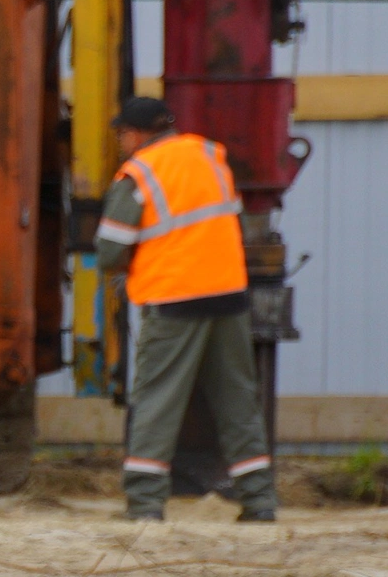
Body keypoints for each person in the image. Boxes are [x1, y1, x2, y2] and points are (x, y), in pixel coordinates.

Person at [94, 96, 277, 522]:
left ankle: (144, 504)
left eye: (121, 134)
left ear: (136, 134)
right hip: (229, 296)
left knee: (157, 399)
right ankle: (260, 500)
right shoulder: (210, 158)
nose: (121, 142)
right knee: (237, 400)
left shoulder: (138, 174)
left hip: (174, 300)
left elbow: (108, 253)